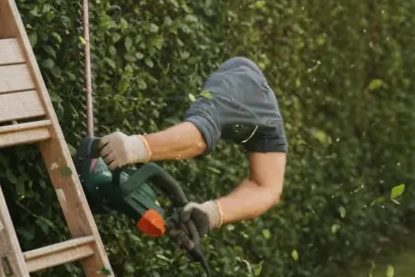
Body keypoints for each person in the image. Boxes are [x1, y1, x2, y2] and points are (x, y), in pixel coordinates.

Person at [98, 57, 286, 253]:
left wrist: (210, 213)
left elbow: (268, 189)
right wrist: (134, 147)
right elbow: (200, 137)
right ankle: (132, 147)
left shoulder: (269, 123)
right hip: (242, 74)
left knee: (208, 125)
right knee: (206, 124)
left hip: (256, 92)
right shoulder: (239, 86)